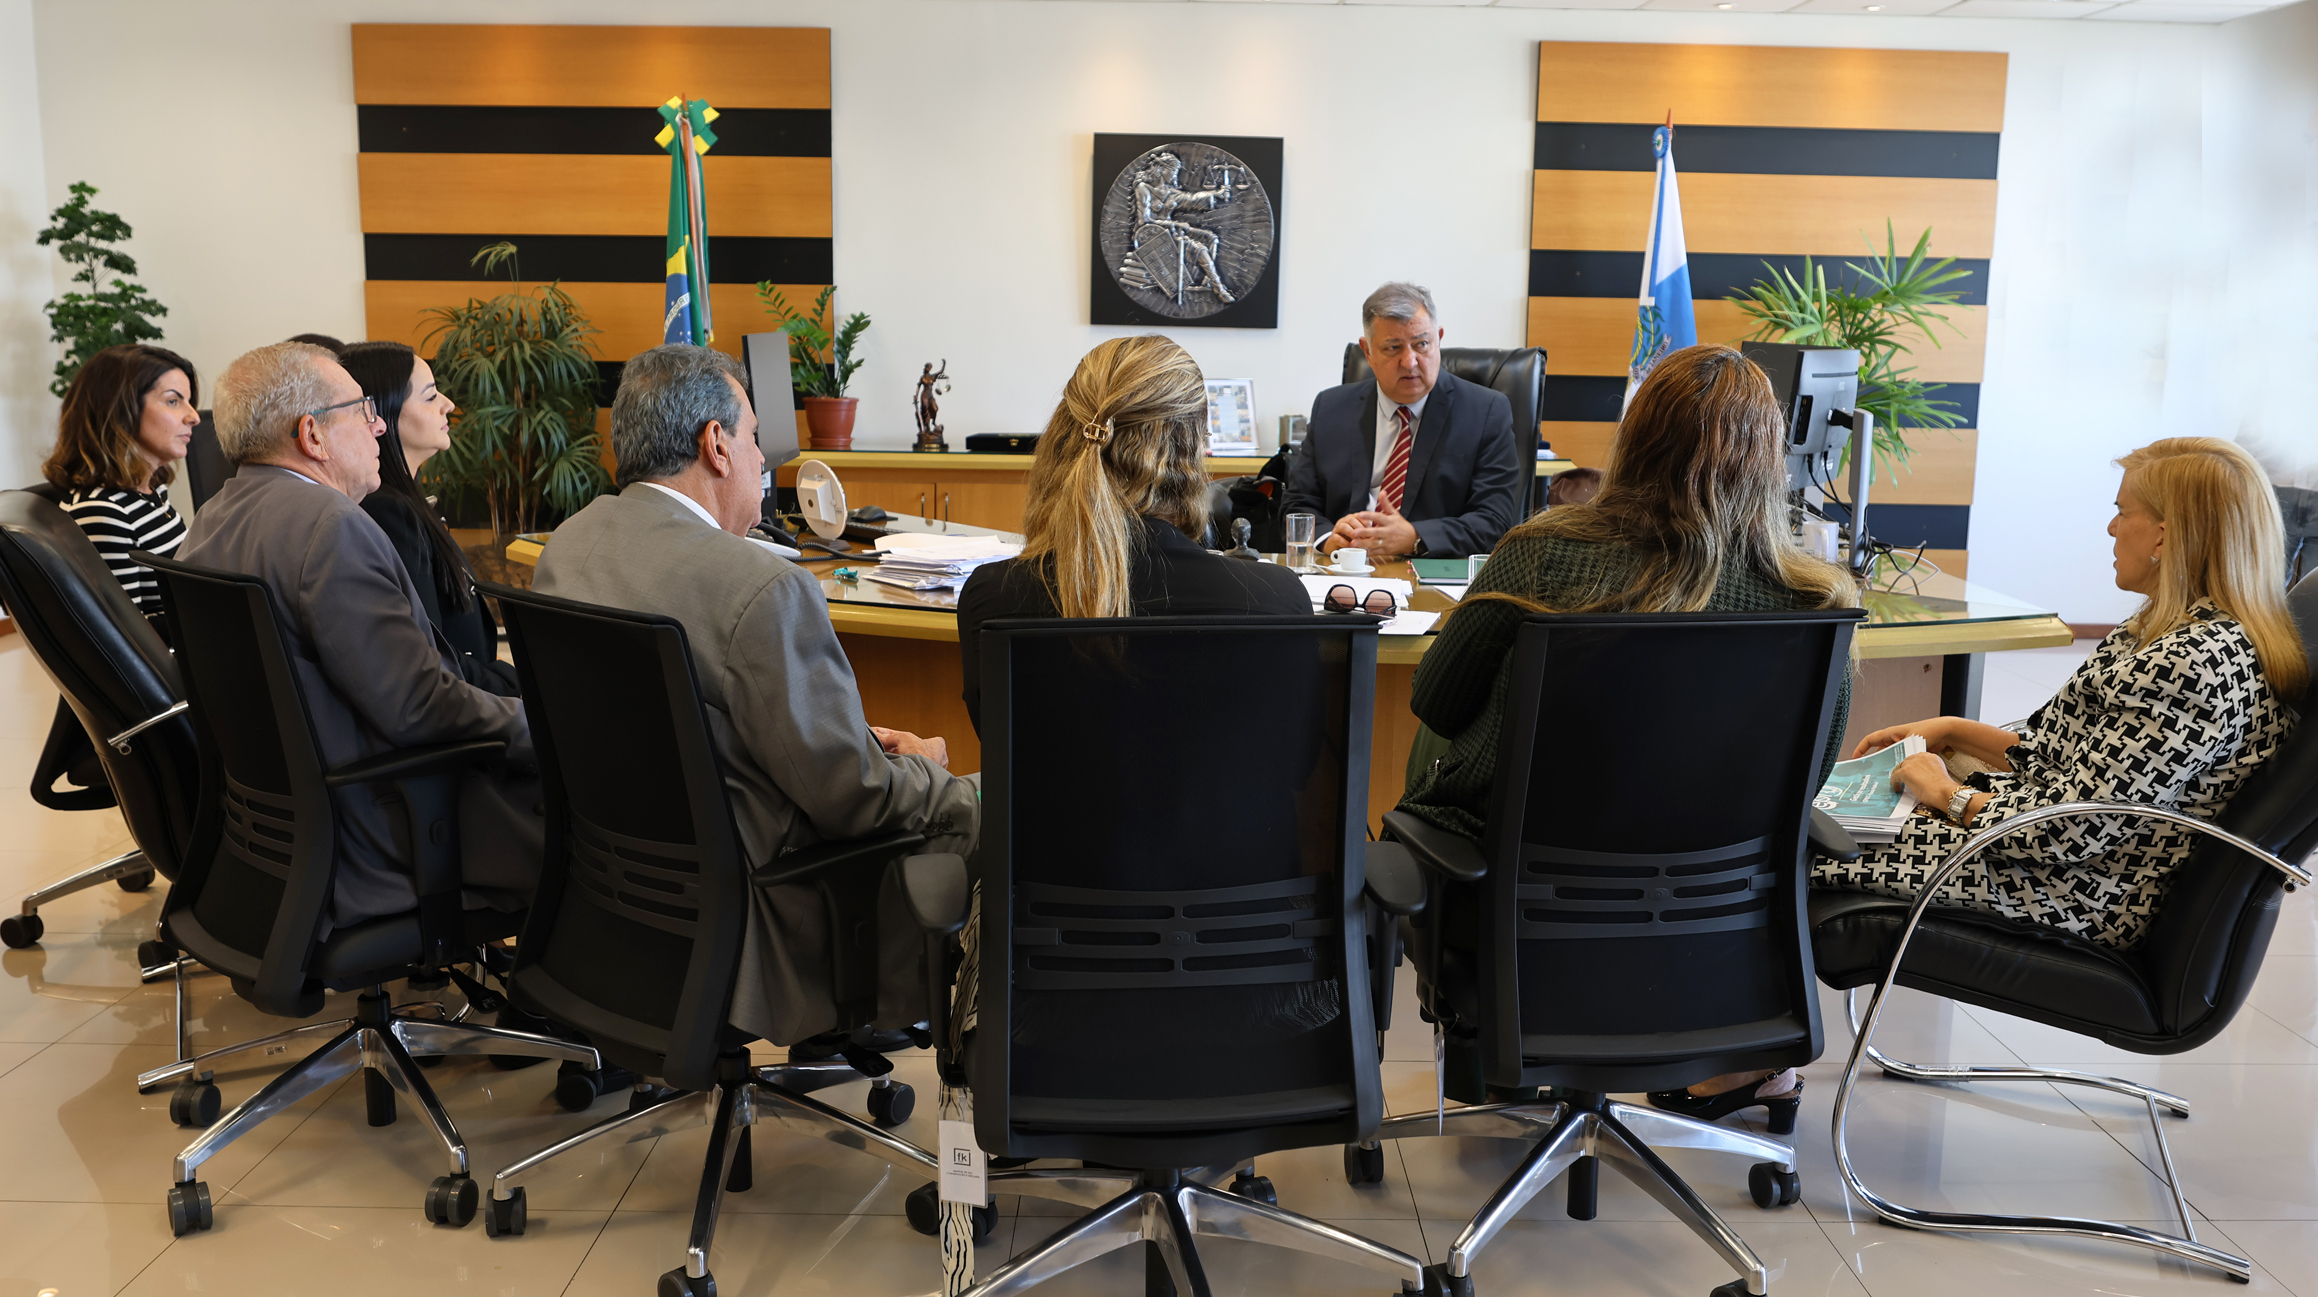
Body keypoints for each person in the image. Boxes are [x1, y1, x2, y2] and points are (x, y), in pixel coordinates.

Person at [1395, 343, 1859, 1124]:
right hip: (1713, 933)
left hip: (1520, 918)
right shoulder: (1816, 600)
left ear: (1634, 440)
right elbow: (1805, 783)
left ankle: (1499, 1065)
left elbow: (1438, 701)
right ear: (1770, 456)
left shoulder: (1540, 554)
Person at [533, 344, 978, 1045]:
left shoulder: (568, 546)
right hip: (756, 908)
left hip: (624, 900)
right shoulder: (761, 588)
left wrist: (852, 745)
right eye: (753, 436)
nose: (761, 458)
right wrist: (926, 761)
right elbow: (851, 797)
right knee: (982, 808)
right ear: (715, 444)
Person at [1815, 437, 2305, 952]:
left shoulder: (2192, 663)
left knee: (1799, 844)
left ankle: (1767, 1019)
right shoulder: (2175, 627)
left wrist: (1944, 793)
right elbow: (2056, 752)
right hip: (2048, 845)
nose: (2112, 527)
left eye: (2122, 512)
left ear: (2164, 535)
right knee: (1821, 819)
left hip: (2077, 889)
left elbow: (2072, 833)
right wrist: (1952, 728)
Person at [182, 341, 541, 932]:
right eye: (361, 410)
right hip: (388, 833)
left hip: (284, 837)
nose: (379, 425)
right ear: (313, 435)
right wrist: (542, 729)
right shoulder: (332, 528)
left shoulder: (213, 519)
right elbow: (420, 707)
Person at [956, 334, 1309, 732]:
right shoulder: (1276, 598)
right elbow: (1297, 760)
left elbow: (998, 744)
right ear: (1193, 450)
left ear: (1064, 437)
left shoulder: (993, 595)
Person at [1284, 282, 1523, 561]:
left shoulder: (1486, 412)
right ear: (1368, 352)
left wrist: (1414, 537)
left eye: (1421, 344)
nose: (1410, 362)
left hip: (1432, 575)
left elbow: (1494, 521)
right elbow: (1297, 506)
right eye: (1393, 348)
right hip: (1344, 572)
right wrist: (1329, 540)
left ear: (1439, 339)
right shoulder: (1331, 408)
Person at [337, 341, 515, 695]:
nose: (449, 405)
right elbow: (430, 653)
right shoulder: (390, 512)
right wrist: (512, 684)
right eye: (431, 396)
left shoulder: (404, 502)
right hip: (465, 712)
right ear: (383, 414)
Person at [41, 344, 200, 633]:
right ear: (120, 409)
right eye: (174, 401)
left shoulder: (151, 493)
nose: (194, 416)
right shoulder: (103, 511)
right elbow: (126, 636)